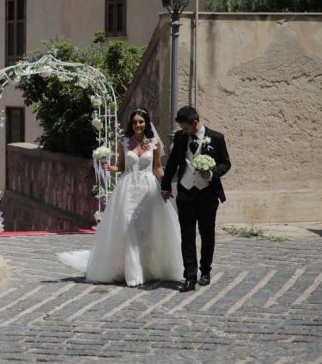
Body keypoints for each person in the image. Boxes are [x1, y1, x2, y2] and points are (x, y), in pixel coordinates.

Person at [58, 107, 183, 287]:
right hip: (128, 188)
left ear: (146, 123)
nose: (138, 125)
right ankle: (132, 271)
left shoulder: (155, 143)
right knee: (128, 226)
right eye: (135, 122)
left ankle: (148, 268)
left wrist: (165, 185)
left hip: (148, 188)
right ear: (131, 124)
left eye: (141, 122)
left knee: (148, 228)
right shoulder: (124, 142)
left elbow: (157, 167)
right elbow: (122, 166)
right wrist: (110, 168)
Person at [161, 106, 231, 293]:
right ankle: (190, 277)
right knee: (187, 236)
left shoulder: (216, 138)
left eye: (185, 128)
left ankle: (205, 271)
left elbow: (226, 163)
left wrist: (213, 173)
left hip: (208, 194)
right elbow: (173, 162)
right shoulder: (180, 137)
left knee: (207, 235)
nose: (183, 131)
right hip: (186, 193)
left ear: (195, 123)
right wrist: (165, 186)